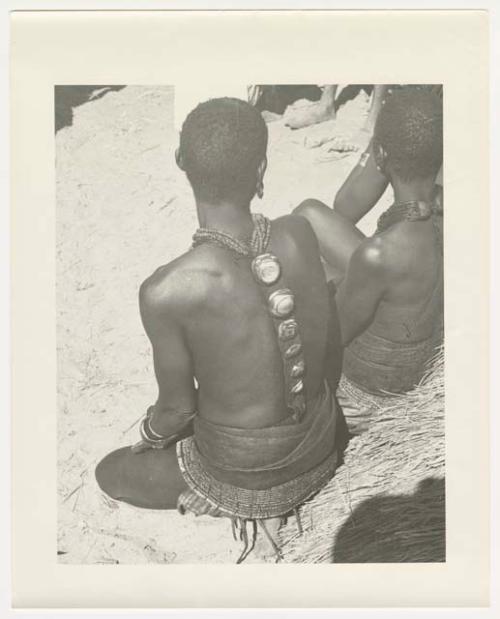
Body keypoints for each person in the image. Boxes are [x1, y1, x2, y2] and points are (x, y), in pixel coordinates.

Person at [95, 97, 347, 561]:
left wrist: (149, 437)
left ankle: (226, 498)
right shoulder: (299, 232)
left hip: (242, 472)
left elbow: (176, 412)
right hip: (319, 447)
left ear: (180, 163)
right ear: (262, 167)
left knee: (109, 472)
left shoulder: (166, 289)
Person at [293, 87, 443, 433]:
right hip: (411, 286)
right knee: (308, 218)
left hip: (369, 391)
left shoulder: (378, 254)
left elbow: (334, 336)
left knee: (292, 272)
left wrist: (379, 155)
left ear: (381, 151)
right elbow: (340, 211)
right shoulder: (442, 207)